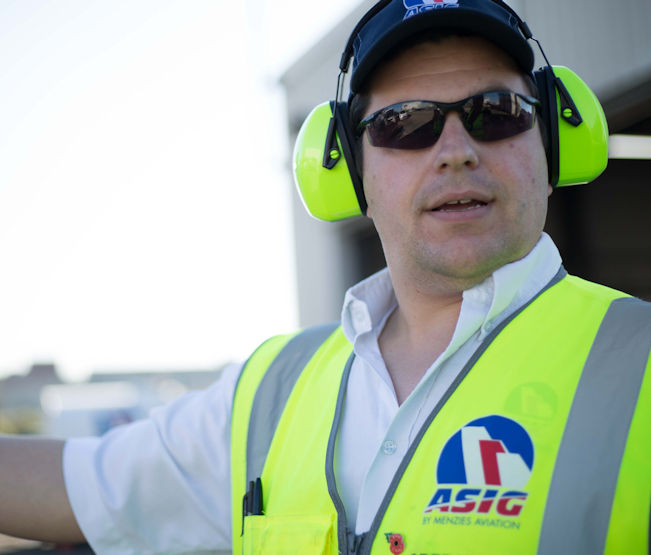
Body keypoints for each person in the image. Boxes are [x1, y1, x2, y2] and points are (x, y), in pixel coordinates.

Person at [1, 0, 649, 553]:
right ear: (348, 170)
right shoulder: (270, 392)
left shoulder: (638, 364)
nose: (456, 152)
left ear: (552, 140)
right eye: (404, 124)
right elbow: (75, 483)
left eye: (497, 110)